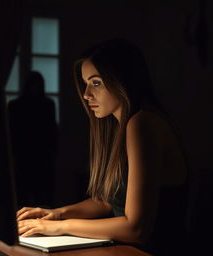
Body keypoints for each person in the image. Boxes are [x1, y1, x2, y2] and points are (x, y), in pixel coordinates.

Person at [16, 39, 188, 256]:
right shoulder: (121, 127)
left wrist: (56, 227)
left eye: (96, 83)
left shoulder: (142, 123)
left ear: (123, 80)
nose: (87, 94)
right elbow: (108, 201)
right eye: (85, 83)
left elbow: (136, 229)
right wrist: (56, 213)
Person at [8, 71, 58, 208]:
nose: (35, 88)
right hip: (23, 154)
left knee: (42, 195)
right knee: (22, 195)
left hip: (42, 155)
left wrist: (53, 152)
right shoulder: (16, 106)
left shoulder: (47, 104)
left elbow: (52, 129)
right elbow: (12, 132)